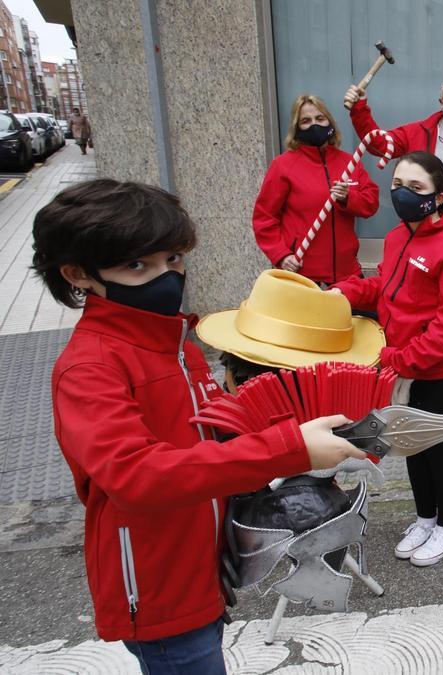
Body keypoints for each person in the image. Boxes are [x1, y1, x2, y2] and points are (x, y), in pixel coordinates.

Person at [31, 179, 367, 674]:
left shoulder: (177, 343)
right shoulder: (90, 366)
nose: (166, 277)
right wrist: (287, 448)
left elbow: (212, 432)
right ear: (79, 274)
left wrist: (300, 429)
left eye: (174, 260)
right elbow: (136, 474)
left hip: (202, 560)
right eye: (138, 265)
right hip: (157, 580)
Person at [332, 151, 443, 567]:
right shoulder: (400, 236)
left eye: (416, 188)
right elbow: (385, 284)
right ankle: (425, 518)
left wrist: (401, 358)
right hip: (405, 363)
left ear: (439, 196)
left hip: (441, 370)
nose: (402, 193)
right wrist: (346, 292)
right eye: (397, 184)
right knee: (411, 445)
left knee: (437, 446)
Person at [344, 76, 443, 253]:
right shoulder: (418, 132)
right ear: (441, 102)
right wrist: (359, 109)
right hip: (423, 228)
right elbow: (379, 145)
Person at [252, 94, 379, 285]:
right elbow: (264, 218)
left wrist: (348, 198)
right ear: (297, 129)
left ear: (330, 122)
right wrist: (281, 255)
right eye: (306, 121)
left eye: (320, 118)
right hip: (303, 276)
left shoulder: (349, 163)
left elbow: (371, 203)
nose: (314, 125)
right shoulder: (283, 166)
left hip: (347, 274)